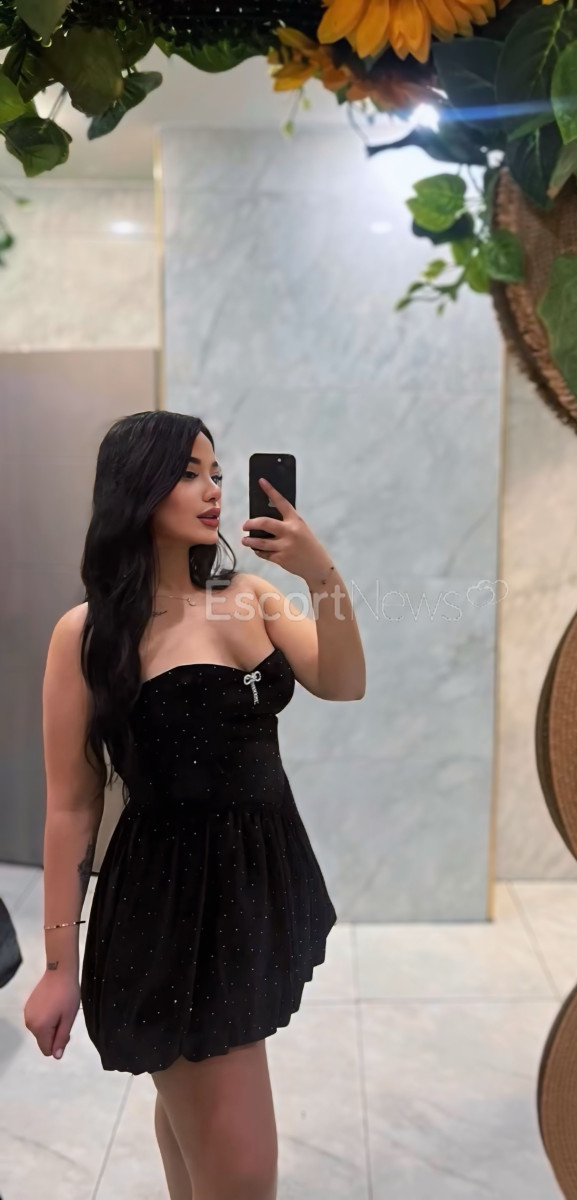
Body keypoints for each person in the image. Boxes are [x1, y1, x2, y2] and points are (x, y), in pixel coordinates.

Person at [23, 410, 366, 1200]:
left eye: (214, 472)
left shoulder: (251, 596)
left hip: (255, 888)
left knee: (201, 1130)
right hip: (169, 909)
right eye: (187, 473)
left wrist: (320, 573)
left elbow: (344, 681)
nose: (211, 489)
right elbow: (70, 809)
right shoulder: (87, 635)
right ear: (136, 488)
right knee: (240, 1172)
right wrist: (58, 967)